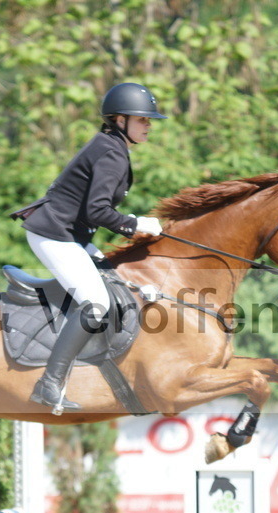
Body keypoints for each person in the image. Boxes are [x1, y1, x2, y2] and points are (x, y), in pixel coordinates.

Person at [10, 82, 167, 412]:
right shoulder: (111, 152)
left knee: (117, 282)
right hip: (54, 234)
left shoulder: (111, 146)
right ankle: (49, 384)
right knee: (95, 302)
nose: (149, 125)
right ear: (120, 120)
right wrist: (135, 225)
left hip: (72, 235)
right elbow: (98, 211)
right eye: (143, 120)